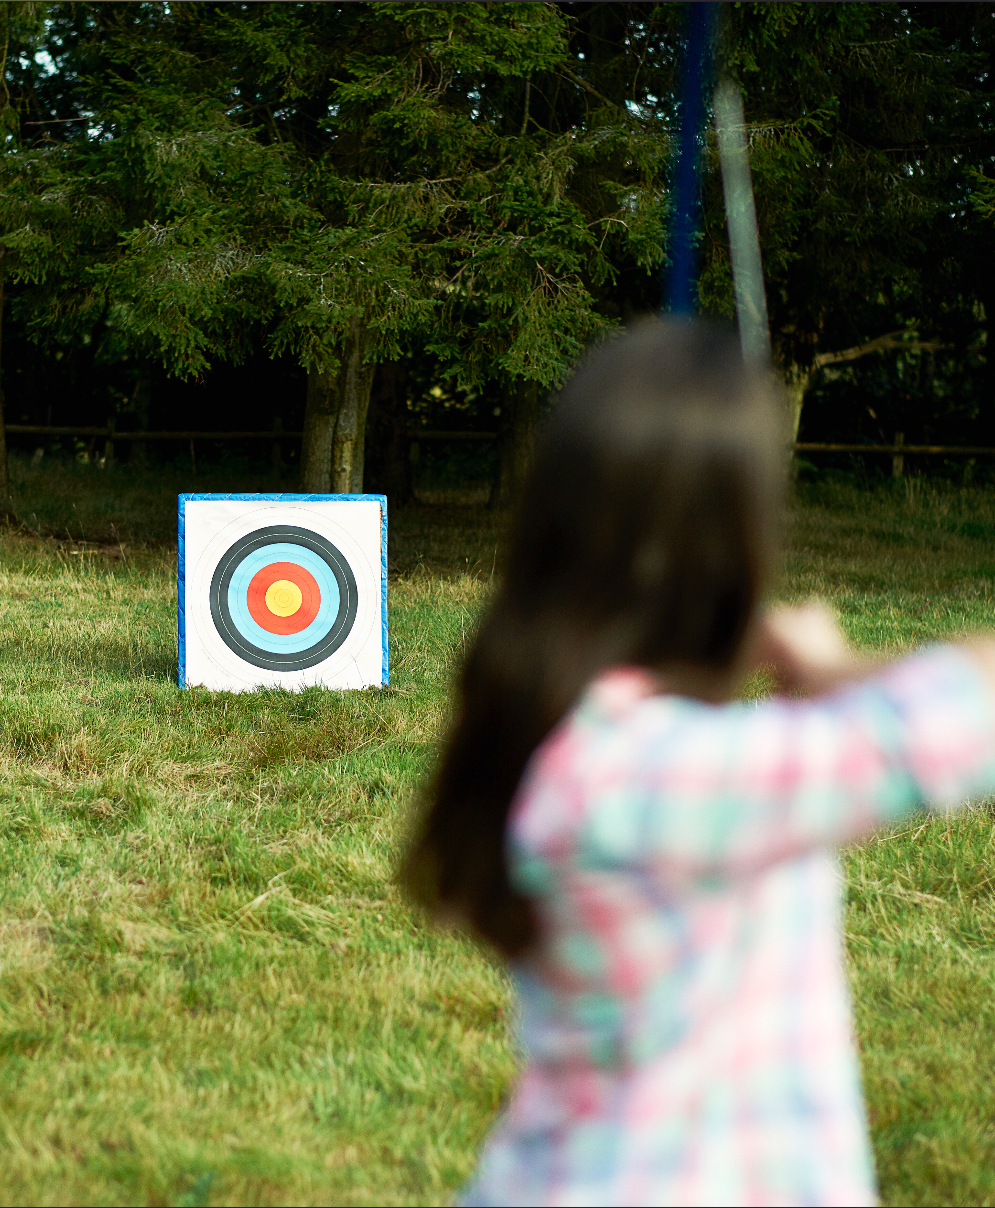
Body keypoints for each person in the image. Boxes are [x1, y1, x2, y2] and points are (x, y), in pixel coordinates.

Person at [404, 320, 995, 1207]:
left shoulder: (557, 725)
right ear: (727, 548)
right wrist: (837, 669)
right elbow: (958, 713)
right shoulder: (662, 776)